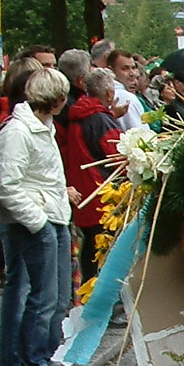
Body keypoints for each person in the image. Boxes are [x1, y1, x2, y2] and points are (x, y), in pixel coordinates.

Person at [0, 67, 77, 366]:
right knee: (41, 296)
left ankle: (43, 354)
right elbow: (7, 185)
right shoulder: (18, 132)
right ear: (55, 98)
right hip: (36, 221)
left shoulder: (45, 126)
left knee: (57, 295)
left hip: (53, 216)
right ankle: (30, 363)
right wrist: (37, 220)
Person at [59, 69, 121, 281]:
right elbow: (117, 154)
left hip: (82, 188)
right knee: (104, 246)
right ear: (110, 94)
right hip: (101, 189)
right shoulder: (100, 119)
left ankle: (87, 288)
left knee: (89, 245)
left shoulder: (76, 113)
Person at [105, 48, 146, 130]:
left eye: (133, 68)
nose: (132, 73)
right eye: (125, 68)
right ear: (110, 70)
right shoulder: (126, 97)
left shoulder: (101, 93)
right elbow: (141, 134)